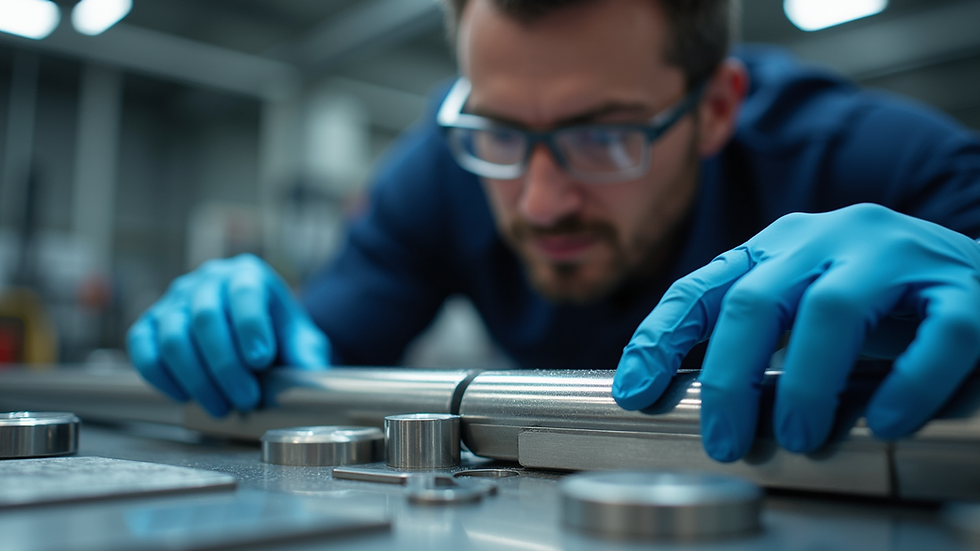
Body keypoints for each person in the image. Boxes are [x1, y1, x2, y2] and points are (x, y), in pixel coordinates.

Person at [127, 0, 980, 463]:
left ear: (715, 108)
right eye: (500, 131)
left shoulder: (883, 160)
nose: (539, 201)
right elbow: (322, 351)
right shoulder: (444, 165)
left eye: (603, 136)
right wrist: (248, 334)